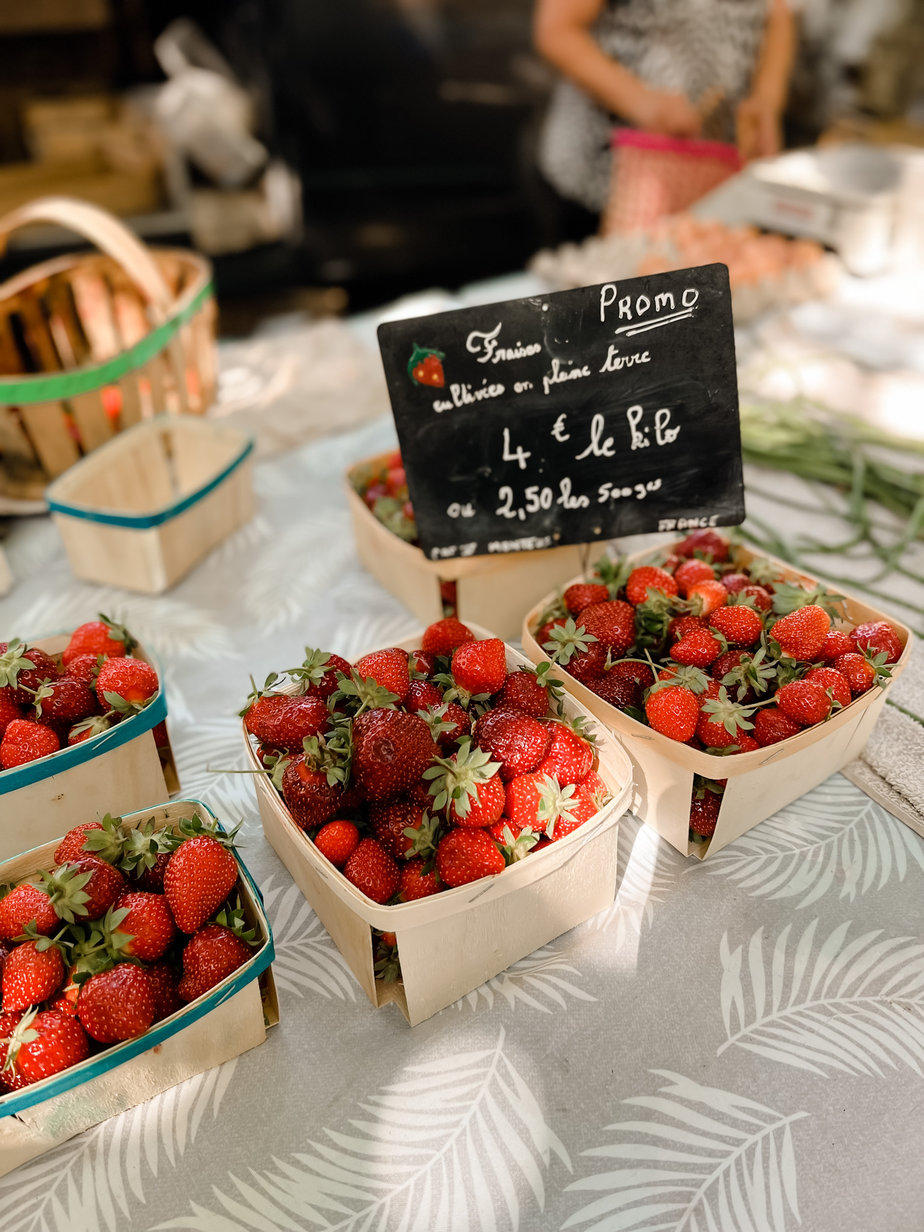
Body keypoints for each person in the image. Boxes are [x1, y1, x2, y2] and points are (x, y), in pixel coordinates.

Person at [533, 0, 796, 236]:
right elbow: (556, 31)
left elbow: (779, 14)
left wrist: (767, 98)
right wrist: (641, 101)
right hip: (605, 173)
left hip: (714, 175)